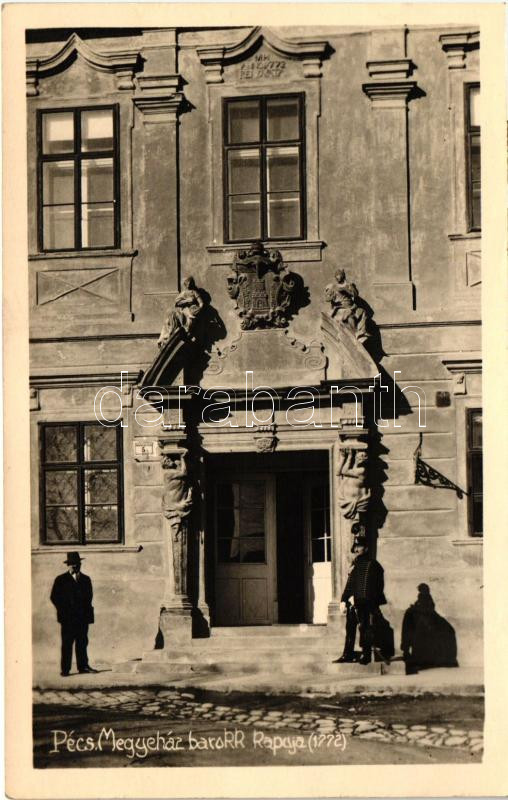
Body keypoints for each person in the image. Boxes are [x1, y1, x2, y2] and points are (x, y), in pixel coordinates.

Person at [335, 535, 387, 665]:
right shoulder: (354, 565)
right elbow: (350, 584)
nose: (357, 549)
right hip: (353, 603)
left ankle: (366, 654)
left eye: (360, 546)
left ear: (366, 548)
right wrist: (343, 599)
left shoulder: (373, 565)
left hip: (366, 603)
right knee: (350, 628)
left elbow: (376, 587)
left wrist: (362, 600)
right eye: (356, 546)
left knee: (365, 628)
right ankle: (347, 654)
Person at [50, 552, 97, 676]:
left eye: (77, 564)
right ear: (68, 565)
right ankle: (65, 669)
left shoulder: (86, 579)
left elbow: (89, 597)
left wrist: (83, 611)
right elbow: (54, 597)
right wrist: (64, 610)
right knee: (67, 643)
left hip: (82, 618)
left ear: (80, 564)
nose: (75, 566)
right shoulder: (60, 580)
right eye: (72, 564)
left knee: (82, 642)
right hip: (68, 619)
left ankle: (83, 667)